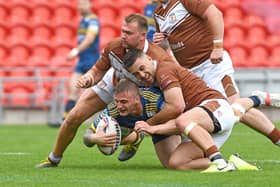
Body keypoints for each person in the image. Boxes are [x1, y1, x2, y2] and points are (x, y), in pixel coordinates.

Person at [35, 14, 181, 168]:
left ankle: (140, 138)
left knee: (172, 161)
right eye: (122, 31)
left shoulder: (158, 58)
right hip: (114, 82)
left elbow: (175, 100)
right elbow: (98, 70)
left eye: (128, 33)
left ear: (142, 36)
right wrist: (90, 77)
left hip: (144, 94)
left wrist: (149, 126)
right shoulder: (114, 47)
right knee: (74, 116)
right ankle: (53, 159)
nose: (123, 36)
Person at [123, 48, 280, 172]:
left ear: (150, 59)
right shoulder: (151, 81)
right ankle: (232, 164)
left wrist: (150, 126)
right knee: (176, 163)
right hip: (205, 122)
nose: (142, 75)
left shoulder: (164, 70)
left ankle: (218, 162)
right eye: (136, 74)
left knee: (186, 119)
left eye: (142, 68)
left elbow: (177, 107)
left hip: (213, 105)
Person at [152, 0, 280, 149]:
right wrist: (162, 42)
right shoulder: (158, 13)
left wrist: (217, 46)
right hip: (190, 73)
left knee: (233, 107)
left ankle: (261, 100)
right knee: (231, 110)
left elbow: (215, 14)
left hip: (212, 64)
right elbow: (169, 44)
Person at [84, 79, 259, 171]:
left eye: (124, 101)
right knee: (172, 164)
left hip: (172, 123)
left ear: (137, 99)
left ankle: (253, 100)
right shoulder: (113, 110)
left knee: (177, 162)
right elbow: (85, 137)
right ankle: (227, 162)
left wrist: (152, 128)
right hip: (151, 128)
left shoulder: (155, 100)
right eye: (117, 101)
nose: (119, 105)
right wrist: (94, 137)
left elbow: (180, 120)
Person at [49, 0, 100, 127]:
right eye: (79, 4)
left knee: (98, 93)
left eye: (83, 4)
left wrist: (75, 51)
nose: (80, 7)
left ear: (89, 5)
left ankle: (105, 121)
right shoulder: (82, 21)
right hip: (82, 61)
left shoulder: (93, 20)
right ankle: (66, 119)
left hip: (92, 61)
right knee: (72, 88)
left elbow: (90, 39)